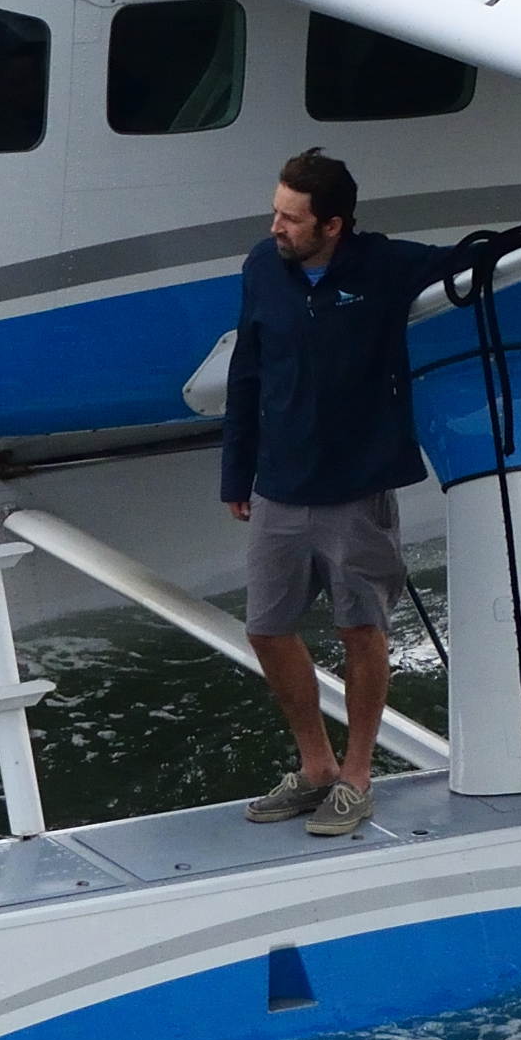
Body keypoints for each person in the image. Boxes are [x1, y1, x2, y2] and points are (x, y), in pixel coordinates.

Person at [218, 146, 466, 840]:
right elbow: (247, 372)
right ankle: (316, 766)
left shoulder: (383, 265)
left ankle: (357, 776)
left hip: (357, 489)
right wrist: (237, 473)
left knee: (362, 630)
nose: (276, 227)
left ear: (333, 225)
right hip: (279, 484)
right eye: (275, 212)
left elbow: (470, 261)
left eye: (291, 219)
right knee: (266, 629)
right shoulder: (263, 269)